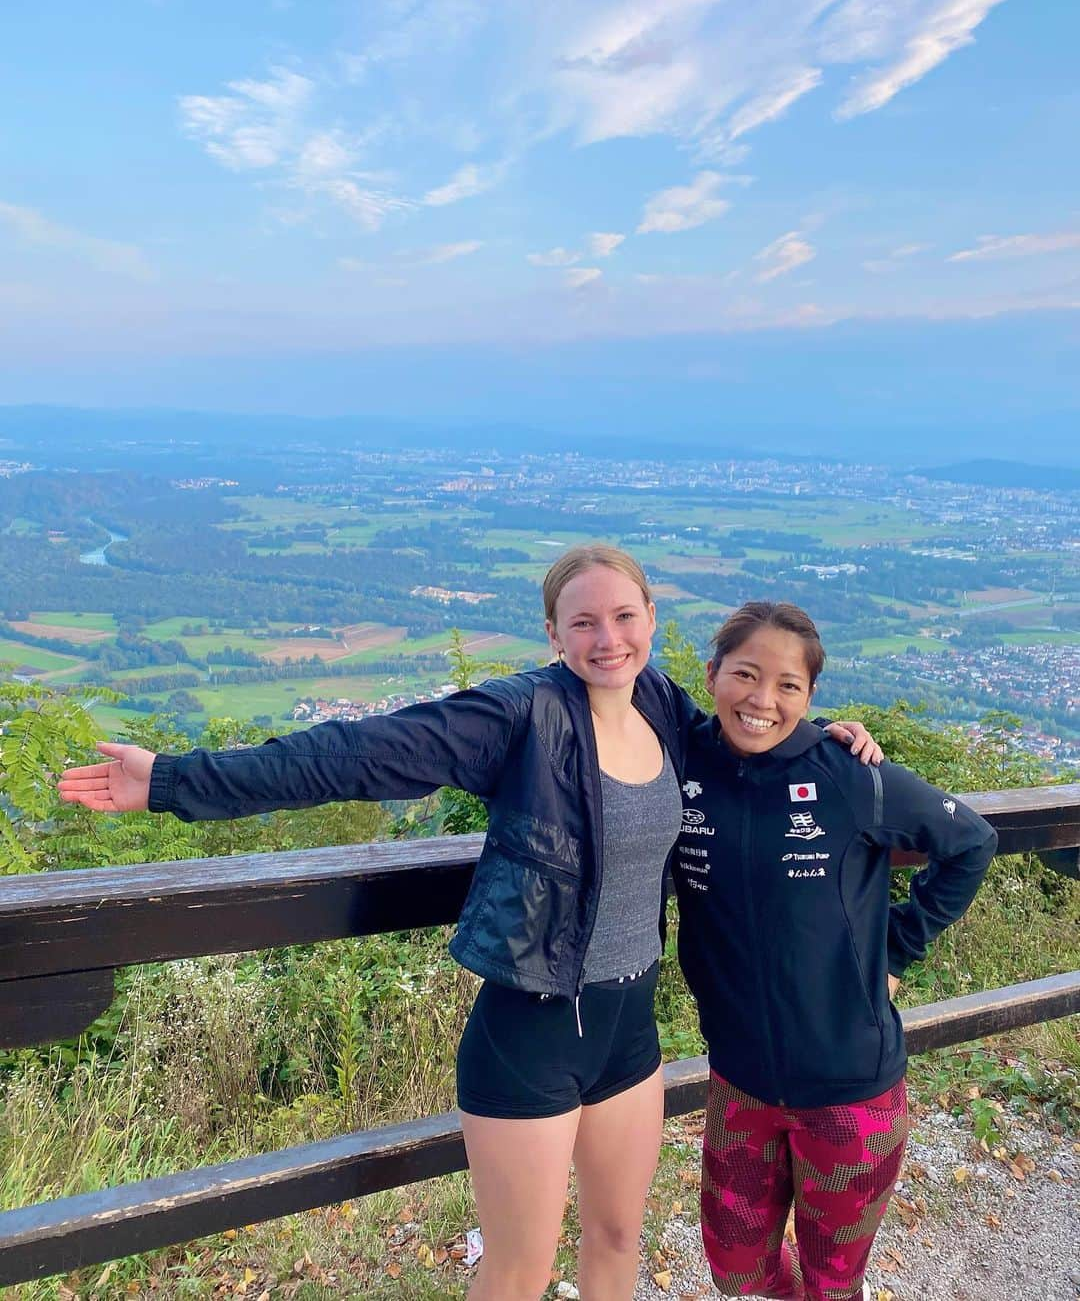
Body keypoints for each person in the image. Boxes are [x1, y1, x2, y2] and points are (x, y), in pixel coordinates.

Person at [57, 547, 877, 1301]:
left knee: (619, 1238)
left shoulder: (660, 703)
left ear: (652, 622)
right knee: (520, 1268)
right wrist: (173, 780)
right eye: (583, 621)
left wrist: (827, 745)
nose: (607, 638)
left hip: (630, 1031)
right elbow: (355, 754)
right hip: (532, 1034)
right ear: (553, 633)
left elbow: (745, 750)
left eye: (624, 617)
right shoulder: (521, 717)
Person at [672, 601, 997, 1301]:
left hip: (851, 1093)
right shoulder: (681, 757)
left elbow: (970, 841)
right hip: (741, 1083)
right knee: (736, 1271)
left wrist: (898, 950)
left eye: (788, 686)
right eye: (746, 675)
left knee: (832, 1282)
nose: (763, 700)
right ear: (713, 674)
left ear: (811, 697)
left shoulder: (849, 776)